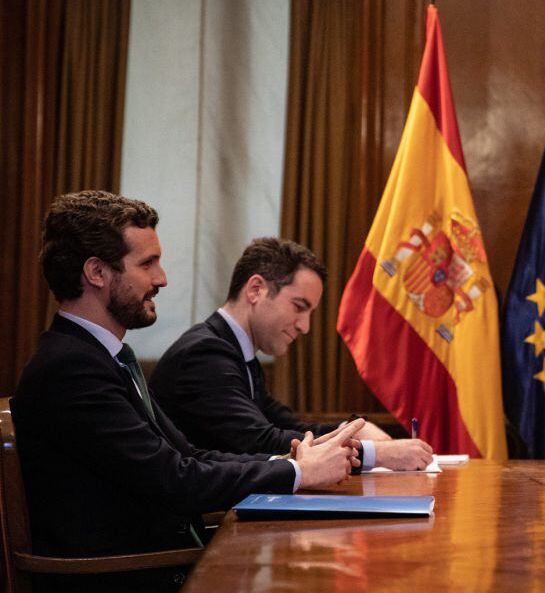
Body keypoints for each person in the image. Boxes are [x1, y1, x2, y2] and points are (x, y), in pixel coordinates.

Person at [12, 191, 363, 591]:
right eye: (148, 264)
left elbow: (189, 456)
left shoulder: (106, 357)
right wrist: (298, 472)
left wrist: (289, 459)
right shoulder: (71, 366)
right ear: (96, 272)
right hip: (127, 577)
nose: (162, 279)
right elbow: (176, 480)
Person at [151, 238, 433, 470]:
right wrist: (371, 453)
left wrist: (354, 429)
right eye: (299, 307)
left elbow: (288, 425)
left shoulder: (237, 351)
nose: (305, 327)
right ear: (256, 290)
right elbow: (259, 441)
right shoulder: (205, 354)